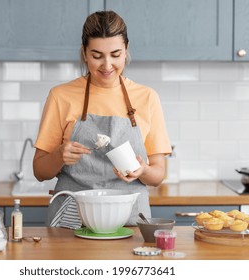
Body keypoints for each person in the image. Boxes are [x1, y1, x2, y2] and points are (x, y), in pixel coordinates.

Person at [33, 10, 172, 228]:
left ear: (126, 50)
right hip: (73, 221)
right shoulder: (61, 96)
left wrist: (143, 170)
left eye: (115, 55)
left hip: (130, 220)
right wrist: (59, 155)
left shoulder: (147, 98)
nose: (107, 65)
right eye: (97, 56)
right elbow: (40, 171)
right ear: (84, 53)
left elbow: (158, 175)